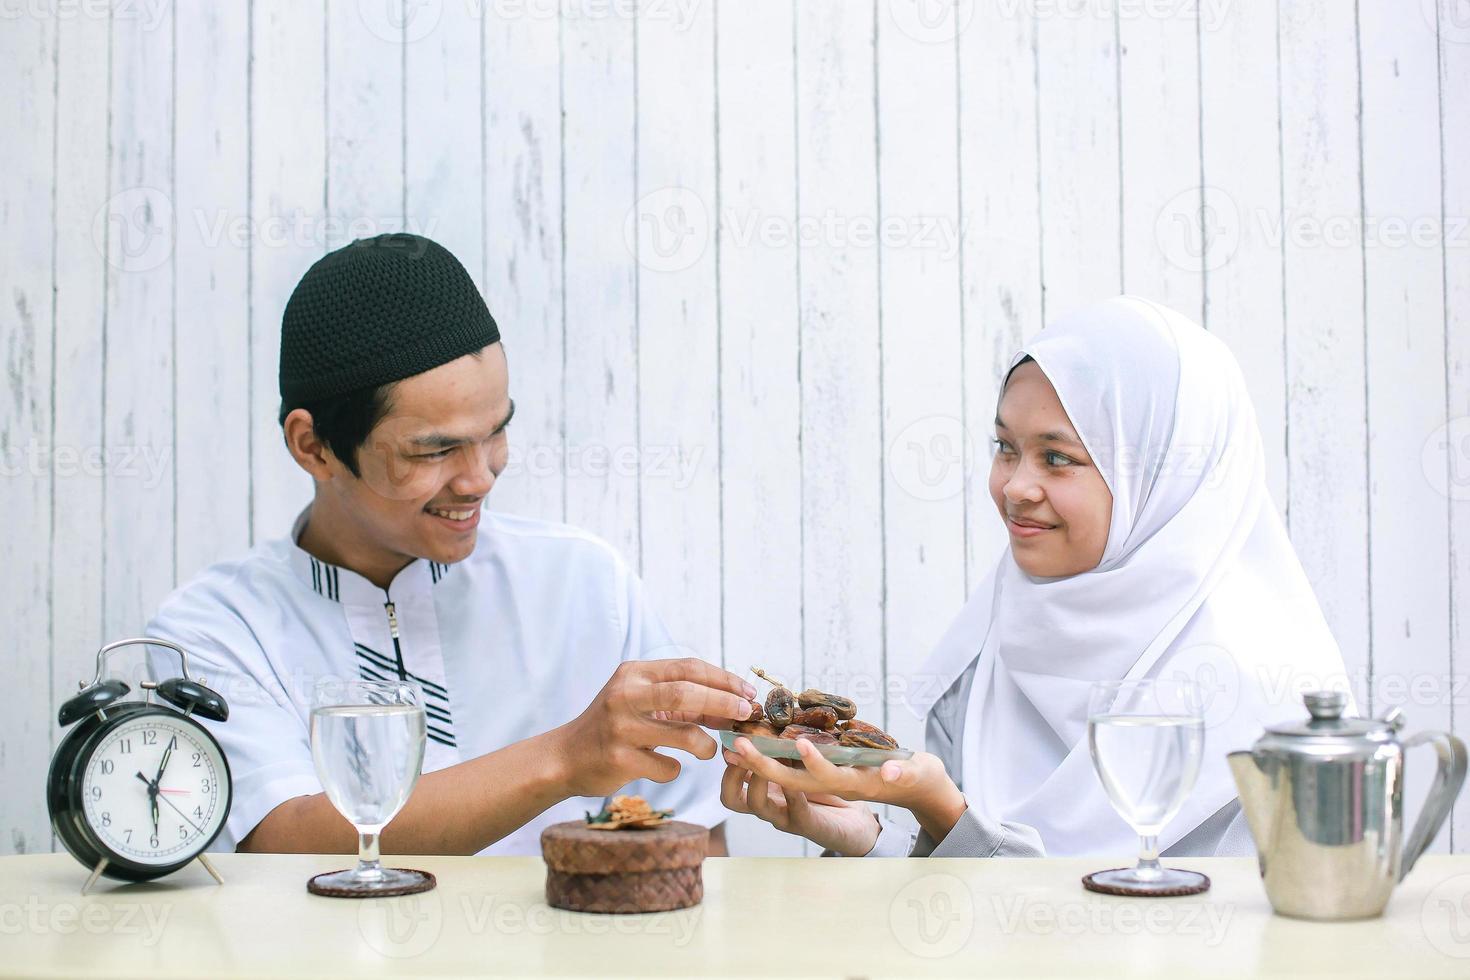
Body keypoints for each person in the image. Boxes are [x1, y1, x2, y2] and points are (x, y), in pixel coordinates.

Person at [145, 233, 754, 856]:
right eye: (434, 451)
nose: (479, 478)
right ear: (314, 446)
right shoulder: (215, 631)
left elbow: (692, 848)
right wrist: (565, 757)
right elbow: (283, 842)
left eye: (496, 432)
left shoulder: (584, 585)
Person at [721, 295, 1349, 858]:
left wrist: (944, 811)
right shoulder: (982, 665)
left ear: (1162, 478)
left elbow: (1227, 938)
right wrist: (868, 842)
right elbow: (957, 925)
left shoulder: (1272, 710)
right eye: (1005, 448)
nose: (1016, 487)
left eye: (1058, 457)